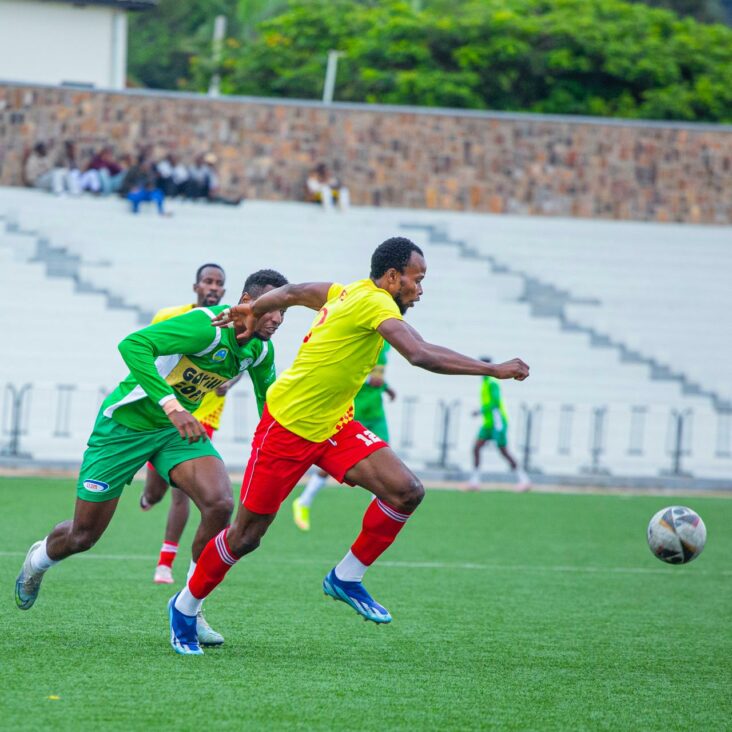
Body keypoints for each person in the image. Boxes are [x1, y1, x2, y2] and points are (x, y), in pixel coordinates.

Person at [167, 236, 529, 655]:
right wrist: (492, 369)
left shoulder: (344, 291)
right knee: (245, 537)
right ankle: (185, 607)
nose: (420, 290)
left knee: (406, 491)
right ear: (392, 278)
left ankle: (347, 576)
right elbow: (420, 354)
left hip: (335, 425)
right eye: (417, 279)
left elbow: (294, 292)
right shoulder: (375, 302)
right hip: (287, 428)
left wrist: (256, 307)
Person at [14, 269, 288, 649]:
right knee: (83, 536)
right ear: (247, 301)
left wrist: (289, 446)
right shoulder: (206, 327)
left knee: (220, 503)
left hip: (173, 434)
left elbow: (269, 404)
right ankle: (38, 561)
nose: (277, 319)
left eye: (284, 311)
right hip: (124, 428)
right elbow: (133, 345)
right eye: (272, 308)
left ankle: (190, 606)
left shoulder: (259, 350)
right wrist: (173, 405)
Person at [140, 265, 270, 590]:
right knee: (154, 493)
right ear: (196, 286)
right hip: (163, 414)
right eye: (208, 281)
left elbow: (244, 362)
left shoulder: (237, 326)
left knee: (184, 494)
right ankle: (148, 496)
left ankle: (166, 563)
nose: (213, 287)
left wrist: (229, 381)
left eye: (218, 283)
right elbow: (150, 354)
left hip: (203, 418)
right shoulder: (172, 316)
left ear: (225, 291)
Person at [292, 341, 396, 531]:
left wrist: (387, 388)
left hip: (376, 414)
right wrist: (368, 380)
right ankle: (304, 501)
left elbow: (377, 374)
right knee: (335, 464)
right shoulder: (357, 339)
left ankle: (377, 517)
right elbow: (343, 371)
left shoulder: (386, 343)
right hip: (354, 413)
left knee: (385, 463)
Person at [467, 358, 530, 492]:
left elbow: (495, 403)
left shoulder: (492, 382)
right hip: (488, 424)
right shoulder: (485, 382)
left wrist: (480, 411)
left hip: (498, 423)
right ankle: (475, 481)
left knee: (503, 451)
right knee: (476, 448)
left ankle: (523, 479)